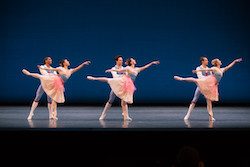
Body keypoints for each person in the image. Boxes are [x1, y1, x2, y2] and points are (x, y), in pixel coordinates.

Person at [87, 58, 160, 120]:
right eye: (133, 60)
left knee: (124, 100)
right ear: (131, 62)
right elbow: (119, 71)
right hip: (123, 81)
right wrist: (111, 70)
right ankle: (94, 78)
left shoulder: (137, 69)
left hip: (129, 84)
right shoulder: (128, 68)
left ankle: (126, 116)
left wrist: (152, 63)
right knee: (109, 80)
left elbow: (145, 67)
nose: (134, 60)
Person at [174, 58, 242, 121]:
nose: (207, 61)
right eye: (206, 60)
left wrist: (235, 61)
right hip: (205, 82)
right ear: (203, 61)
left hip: (211, 85)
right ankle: (181, 79)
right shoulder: (212, 68)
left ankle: (211, 116)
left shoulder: (221, 69)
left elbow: (229, 66)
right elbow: (204, 72)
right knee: (196, 85)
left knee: (209, 100)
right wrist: (197, 70)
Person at [22, 59, 91, 120]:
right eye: (67, 61)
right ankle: (29, 73)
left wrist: (83, 64)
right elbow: (52, 70)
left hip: (59, 85)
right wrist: (43, 69)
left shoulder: (70, 70)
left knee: (54, 99)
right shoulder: (60, 68)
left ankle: (54, 114)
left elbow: (77, 68)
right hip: (54, 80)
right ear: (64, 63)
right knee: (42, 77)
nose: (68, 62)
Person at [99, 55, 128, 120]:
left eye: (122, 60)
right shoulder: (113, 68)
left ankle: (126, 116)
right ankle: (103, 114)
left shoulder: (124, 68)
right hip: (116, 86)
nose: (121, 61)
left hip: (122, 86)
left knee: (124, 100)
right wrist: (123, 77)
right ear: (116, 61)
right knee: (110, 100)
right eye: (120, 60)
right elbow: (116, 77)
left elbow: (127, 75)